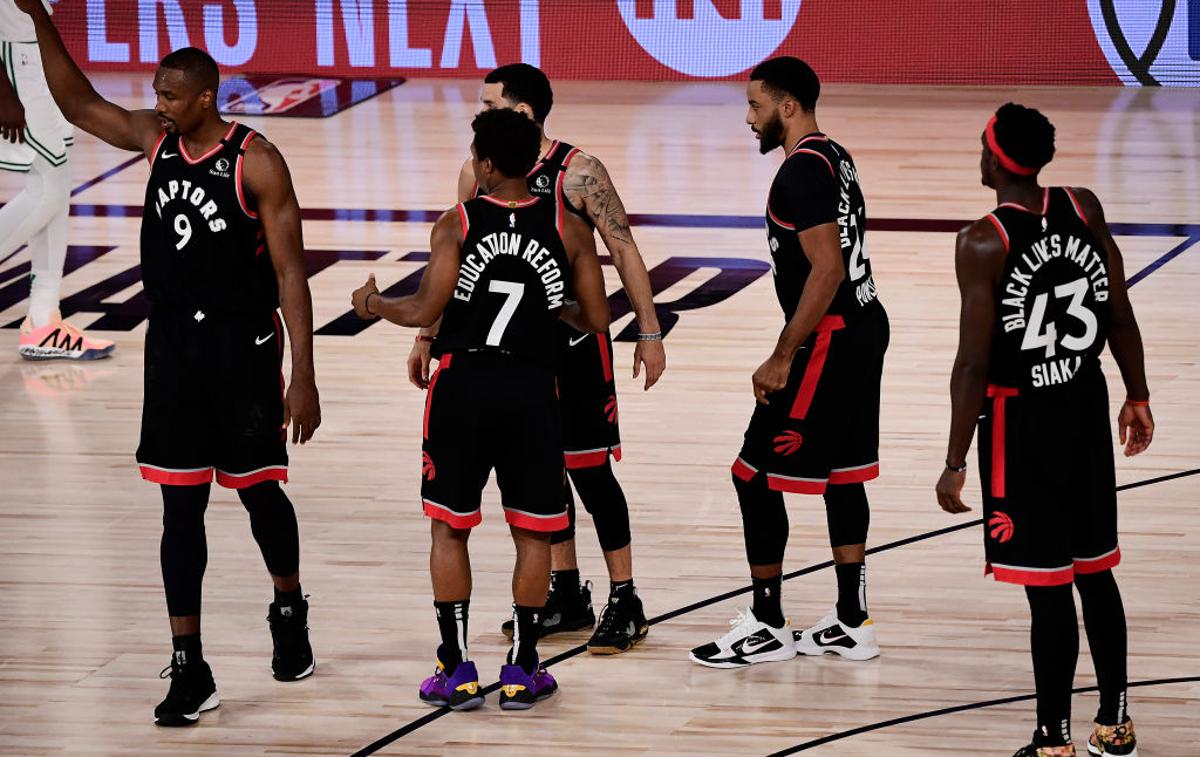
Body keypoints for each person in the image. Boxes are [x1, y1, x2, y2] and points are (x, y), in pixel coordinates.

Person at [17, 1, 322, 727]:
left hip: (243, 350)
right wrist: (36, 17)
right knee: (178, 509)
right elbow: (79, 101)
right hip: (175, 354)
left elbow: (291, 276)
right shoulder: (156, 141)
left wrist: (304, 373)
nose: (157, 103)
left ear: (206, 98)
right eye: (155, 93)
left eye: (169, 95)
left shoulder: (257, 161)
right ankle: (190, 663)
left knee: (259, 497)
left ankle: (288, 605)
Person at [351, 108, 610, 710]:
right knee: (533, 530)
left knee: (450, 524)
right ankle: (523, 668)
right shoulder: (568, 227)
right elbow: (595, 317)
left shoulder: (457, 223)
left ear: (488, 164)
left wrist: (372, 304)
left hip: (463, 387)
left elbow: (422, 309)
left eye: (474, 156)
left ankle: (454, 667)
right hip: (530, 391)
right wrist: (550, 315)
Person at [409, 63, 663, 654]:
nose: (479, 109)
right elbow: (456, 270)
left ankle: (626, 598)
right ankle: (567, 591)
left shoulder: (580, 172)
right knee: (543, 479)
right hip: (515, 355)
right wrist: (426, 338)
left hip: (575, 345)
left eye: (490, 101)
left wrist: (647, 334)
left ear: (521, 111)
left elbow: (624, 251)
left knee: (590, 471)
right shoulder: (477, 172)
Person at [936, 103, 1150, 757]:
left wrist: (954, 458)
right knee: (1096, 570)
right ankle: (1115, 724)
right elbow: (1118, 309)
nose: (977, 154)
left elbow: (972, 362)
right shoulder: (1083, 207)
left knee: (1048, 584)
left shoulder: (983, 240)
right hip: (1085, 403)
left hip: (1022, 421)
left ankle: (1052, 738)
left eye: (981, 145)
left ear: (998, 158)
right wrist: (1136, 393)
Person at [690, 57, 889, 668]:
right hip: (865, 324)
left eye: (756, 107)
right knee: (845, 474)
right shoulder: (837, 154)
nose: (749, 119)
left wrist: (782, 355)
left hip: (827, 338)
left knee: (751, 474)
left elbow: (826, 269)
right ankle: (852, 621)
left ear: (789, 106)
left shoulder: (798, 174)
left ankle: (768, 623)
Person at [1, 0, 113, 360]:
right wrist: (3, 91)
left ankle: (43, 320)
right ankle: (42, 319)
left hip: (35, 55)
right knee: (46, 192)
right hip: (13, 61)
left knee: (57, 185)